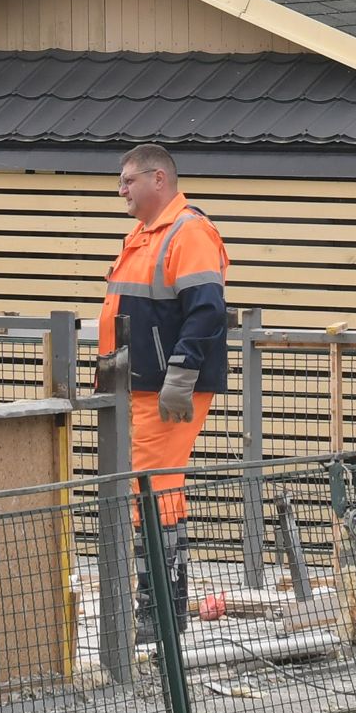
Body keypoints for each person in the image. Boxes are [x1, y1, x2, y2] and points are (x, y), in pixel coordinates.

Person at [97, 143, 229, 532]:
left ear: (158, 179)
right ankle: (157, 587)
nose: (121, 190)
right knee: (149, 487)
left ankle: (161, 589)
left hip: (163, 386)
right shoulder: (146, 234)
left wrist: (181, 375)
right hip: (140, 384)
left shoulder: (188, 233)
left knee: (154, 488)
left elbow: (207, 311)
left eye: (128, 181)